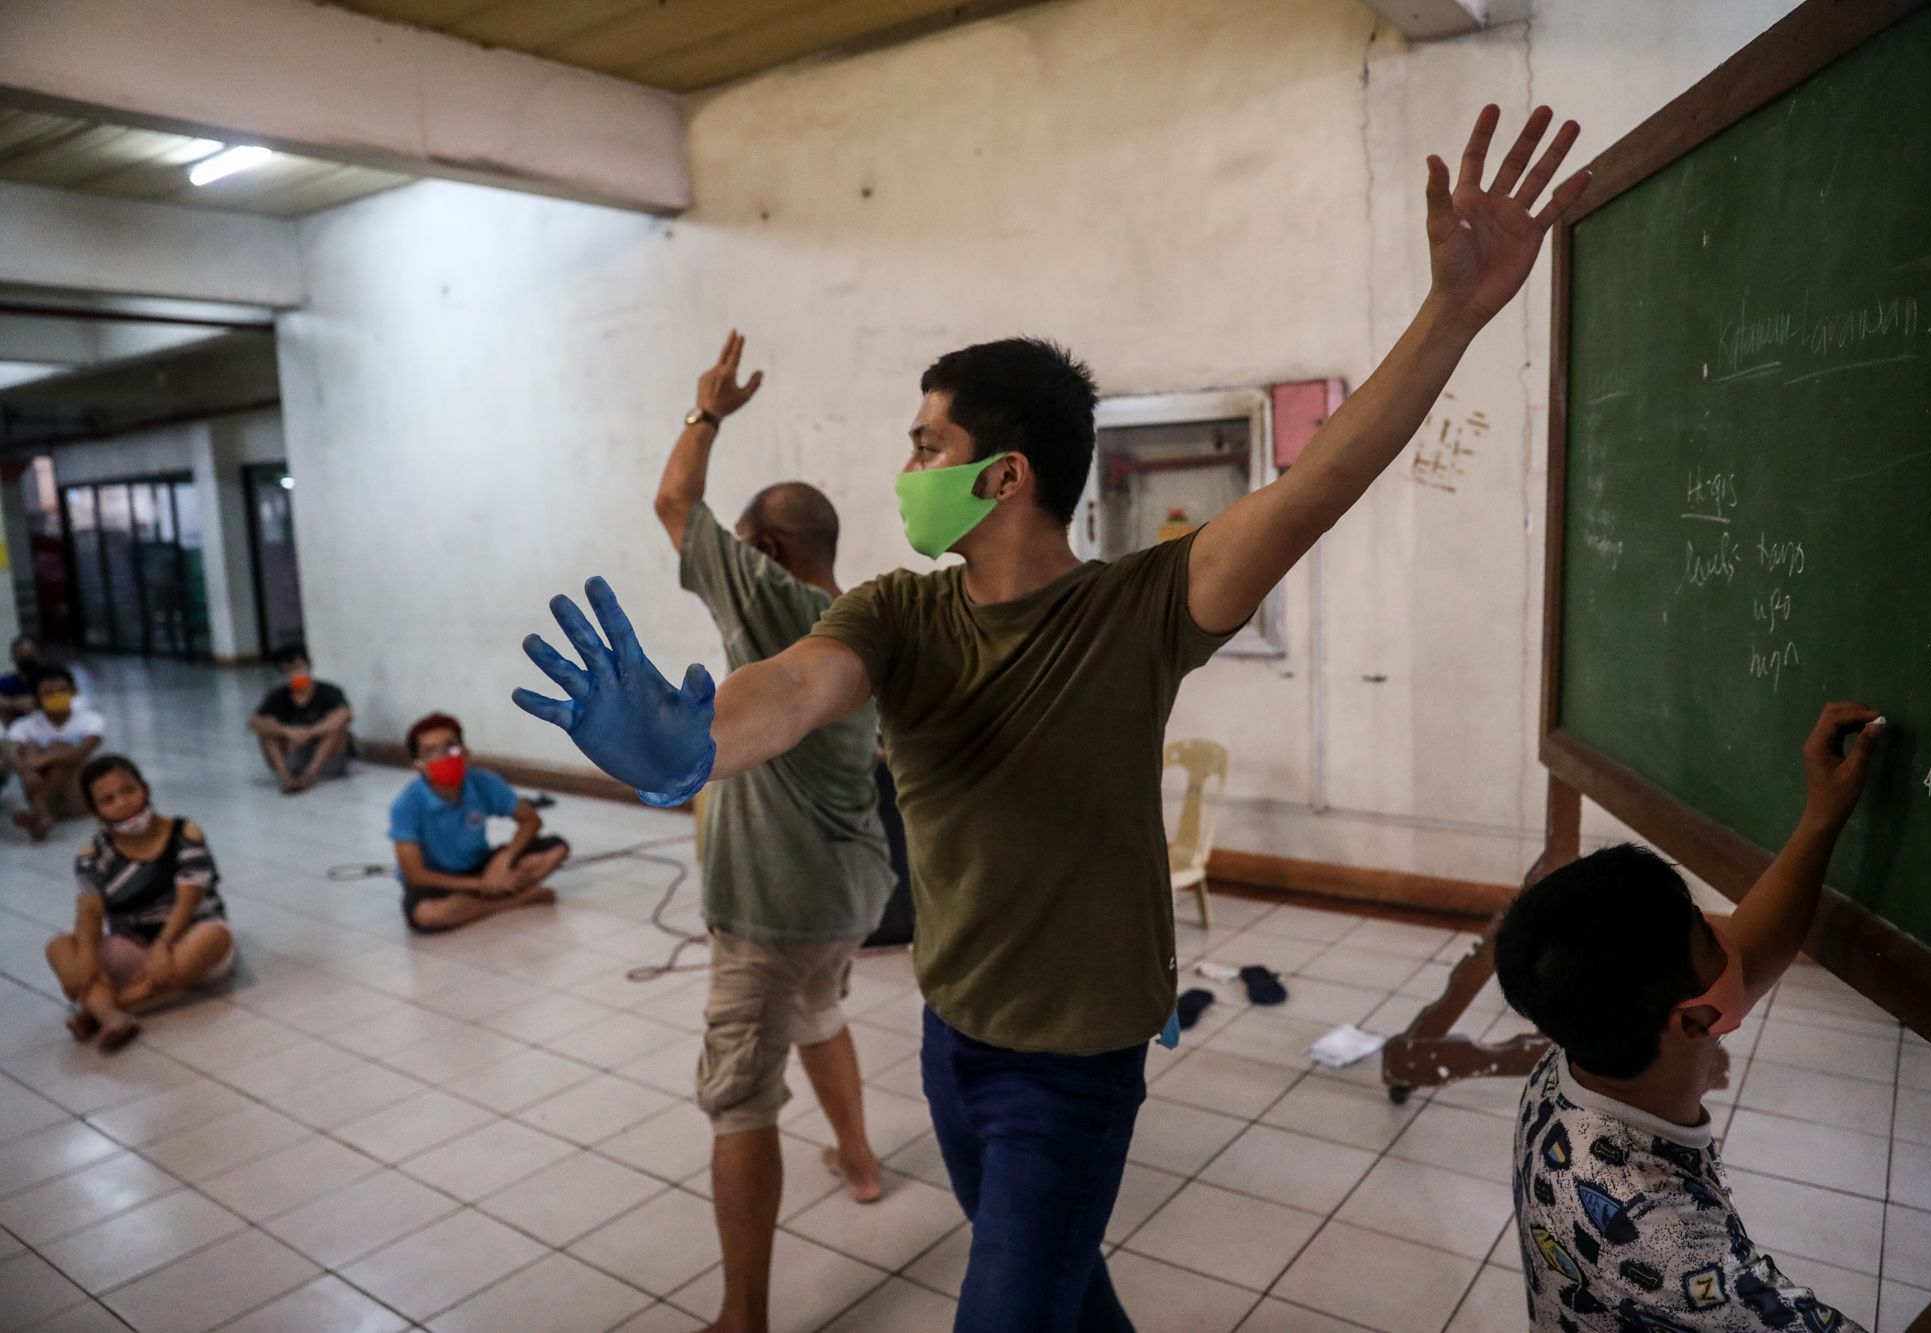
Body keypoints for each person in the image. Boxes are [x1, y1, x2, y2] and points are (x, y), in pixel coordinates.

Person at [516, 104, 1589, 1331]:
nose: (906, 467)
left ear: (1004, 475)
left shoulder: (1141, 610)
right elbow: (799, 687)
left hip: (1072, 1066)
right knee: (1064, 1293)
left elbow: (1316, 484)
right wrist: (686, 741)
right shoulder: (897, 614)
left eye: (927, 443)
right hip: (951, 1035)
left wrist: (1451, 310)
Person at [1493, 703, 1892, 1329]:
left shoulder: (1570, 1058)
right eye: (1709, 938)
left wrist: (1821, 816)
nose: (1731, 936)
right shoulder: (1659, 1233)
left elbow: (1754, 950)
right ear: (1695, 1021)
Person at [653, 334, 899, 1333]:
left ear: (767, 551)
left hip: (768, 901)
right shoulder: (862, 620)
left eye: (744, 542)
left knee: (741, 1096)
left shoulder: (775, 603)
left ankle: (740, 1316)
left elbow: (675, 504)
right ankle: (863, 1160)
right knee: (821, 1014)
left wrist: (707, 411)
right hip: (851, 896)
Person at [44, 755, 236, 1052]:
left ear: (145, 789)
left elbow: (189, 900)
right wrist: (86, 956)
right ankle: (114, 1018)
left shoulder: (185, 834)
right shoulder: (92, 855)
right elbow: (90, 911)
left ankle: (106, 1010)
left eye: (128, 790)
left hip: (186, 939)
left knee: (214, 937)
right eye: (108, 800)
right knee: (59, 947)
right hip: (132, 946)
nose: (122, 803)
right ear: (95, 811)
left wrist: (164, 944)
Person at [389, 712, 569, 933]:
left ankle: (480, 903)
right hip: (438, 880)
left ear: (465, 752)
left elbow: (531, 820)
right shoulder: (406, 805)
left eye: (451, 747)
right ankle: (514, 900)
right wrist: (481, 884)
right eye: (431, 752)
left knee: (556, 849)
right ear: (418, 766)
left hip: (480, 864)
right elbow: (415, 874)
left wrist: (503, 859)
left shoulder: (483, 782)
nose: (444, 756)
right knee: (427, 914)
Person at [4, 667, 105, 842]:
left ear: (74, 692)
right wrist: (26, 770)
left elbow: (82, 751)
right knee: (27, 750)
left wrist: (45, 759)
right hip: (45, 794)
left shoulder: (91, 720)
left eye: (62, 691)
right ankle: (44, 815)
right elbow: (8, 751)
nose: (56, 696)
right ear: (37, 698)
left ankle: (39, 814)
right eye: (49, 693)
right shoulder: (25, 725)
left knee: (62, 748)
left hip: (77, 799)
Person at [248, 644, 354, 793]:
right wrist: (286, 731)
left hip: (328, 758)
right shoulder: (278, 696)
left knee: (336, 727)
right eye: (289, 669)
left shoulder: (329, 691)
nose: (295, 673)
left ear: (308, 665)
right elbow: (254, 722)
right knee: (267, 730)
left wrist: (309, 732)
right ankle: (287, 778)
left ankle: (309, 775)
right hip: (294, 755)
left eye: (299, 667)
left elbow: (345, 715)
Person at [0, 635, 45, 724]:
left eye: (30, 652)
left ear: (40, 654)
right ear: (12, 656)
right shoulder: (5, 681)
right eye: (21, 652)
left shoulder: (51, 678)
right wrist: (15, 703)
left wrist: (37, 702)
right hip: (16, 727)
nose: (26, 655)